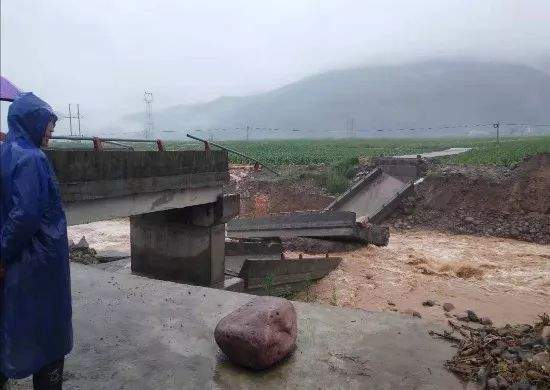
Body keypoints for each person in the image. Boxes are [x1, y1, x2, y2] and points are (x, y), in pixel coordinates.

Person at [0, 93, 72, 389]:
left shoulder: (6, 152)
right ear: (32, 122)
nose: (50, 133)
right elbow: (26, 216)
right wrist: (3, 253)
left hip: (21, 260)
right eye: (47, 126)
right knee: (48, 333)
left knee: (13, 324)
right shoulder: (32, 158)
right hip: (40, 261)